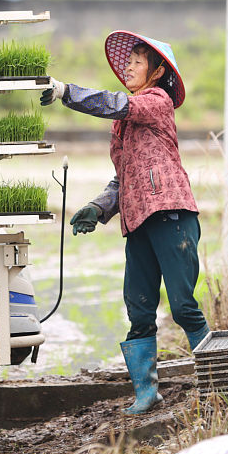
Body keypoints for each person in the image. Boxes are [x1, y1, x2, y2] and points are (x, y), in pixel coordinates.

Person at [41, 31, 210, 414]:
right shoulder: (124, 125)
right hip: (137, 223)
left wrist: (66, 91)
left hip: (170, 215)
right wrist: (98, 208)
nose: (129, 67)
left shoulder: (156, 101)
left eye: (137, 61)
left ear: (157, 71)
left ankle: (218, 380)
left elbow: (115, 104)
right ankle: (146, 393)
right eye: (127, 61)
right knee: (138, 309)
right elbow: (123, 179)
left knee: (183, 307)